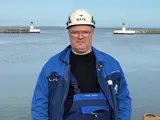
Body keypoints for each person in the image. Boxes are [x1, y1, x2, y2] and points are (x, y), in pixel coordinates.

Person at [31, 9, 132, 120]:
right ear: (69, 33)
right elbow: (39, 104)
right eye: (75, 32)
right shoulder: (52, 66)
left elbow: (124, 100)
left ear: (92, 33)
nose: (80, 36)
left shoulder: (111, 64)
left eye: (85, 32)